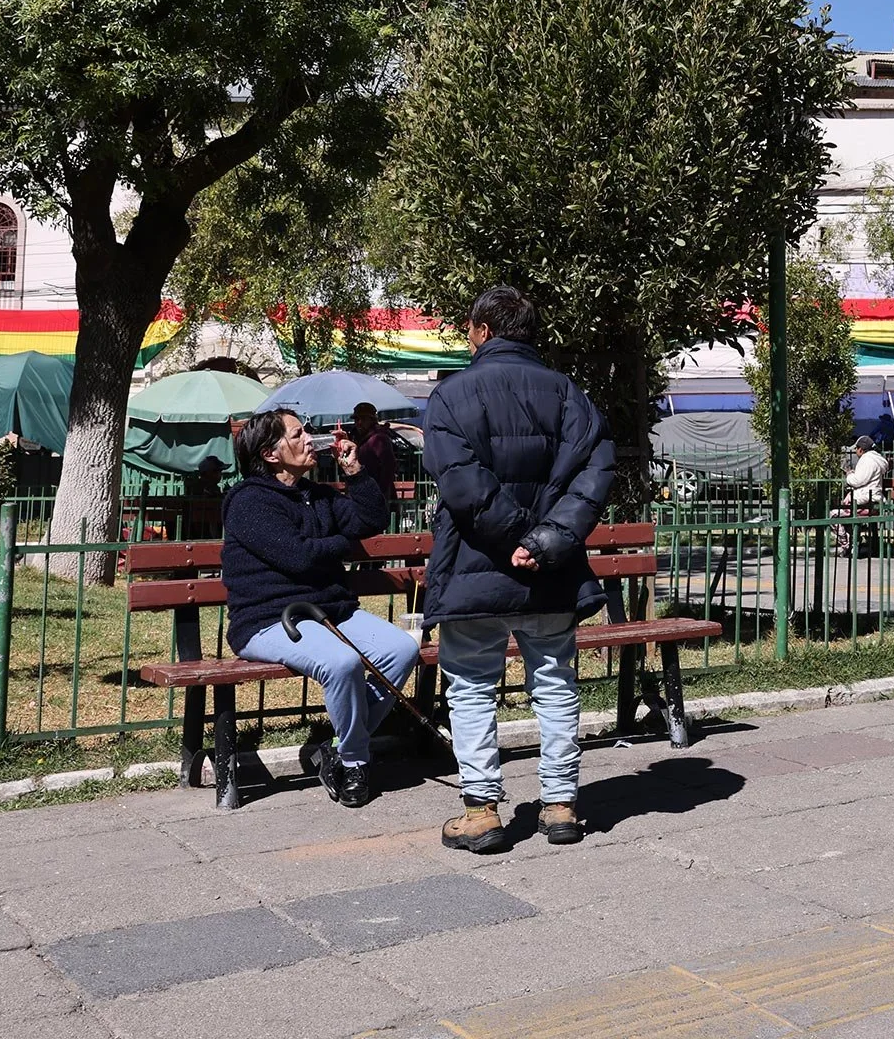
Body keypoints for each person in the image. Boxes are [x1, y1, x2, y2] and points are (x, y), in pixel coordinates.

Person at [422, 284, 615, 853]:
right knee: (555, 684)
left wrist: (513, 538)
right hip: (551, 570)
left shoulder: (451, 396)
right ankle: (561, 805)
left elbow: (460, 482)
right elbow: (595, 474)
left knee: (472, 687)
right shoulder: (570, 394)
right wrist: (545, 540)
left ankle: (481, 811)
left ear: (480, 331)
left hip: (474, 567)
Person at [221, 408, 419, 807]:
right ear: (270, 454)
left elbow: (371, 520)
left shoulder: (317, 495)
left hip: (332, 611)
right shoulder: (248, 502)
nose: (311, 440)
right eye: (298, 435)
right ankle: (354, 761)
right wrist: (341, 547)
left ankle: (336, 746)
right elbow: (298, 557)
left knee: (403, 649)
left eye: (307, 432)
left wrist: (356, 474)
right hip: (268, 620)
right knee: (342, 663)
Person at [348, 401, 400, 492]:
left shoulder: (379, 438)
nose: (359, 423)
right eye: (356, 419)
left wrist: (381, 493)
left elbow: (389, 467)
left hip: (377, 495)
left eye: (363, 419)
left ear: (372, 420)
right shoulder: (355, 438)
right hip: (360, 492)